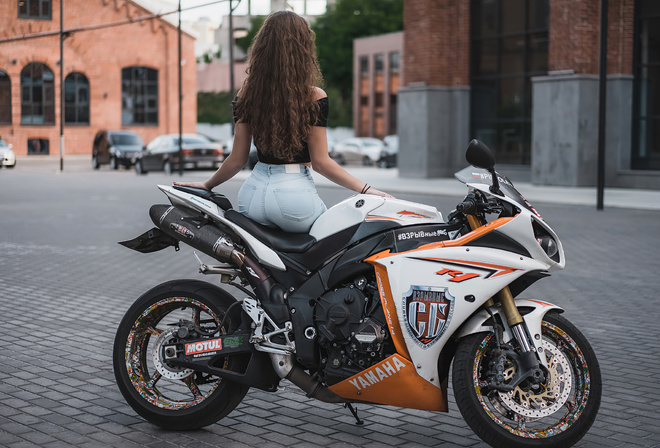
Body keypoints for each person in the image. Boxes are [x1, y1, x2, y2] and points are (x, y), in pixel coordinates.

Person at [174, 10, 392, 233]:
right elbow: (321, 163)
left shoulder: (246, 95)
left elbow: (237, 159)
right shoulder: (314, 96)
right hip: (293, 195)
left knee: (266, 263)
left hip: (252, 194)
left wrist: (208, 184)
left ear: (262, 49)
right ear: (303, 49)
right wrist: (367, 189)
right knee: (329, 249)